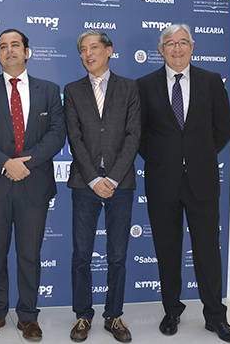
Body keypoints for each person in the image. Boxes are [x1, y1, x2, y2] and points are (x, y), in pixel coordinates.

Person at [136, 23, 230, 342]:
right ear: (160, 50)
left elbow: (224, 127)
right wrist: (161, 157)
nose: (177, 49)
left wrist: (199, 153)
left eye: (183, 43)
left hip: (202, 179)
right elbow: (138, 134)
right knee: (167, 248)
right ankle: (171, 310)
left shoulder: (210, 81)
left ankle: (215, 316)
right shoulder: (145, 85)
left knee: (207, 248)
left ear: (192, 47)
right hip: (162, 180)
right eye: (170, 44)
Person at [0, 29, 66, 342]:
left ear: (28, 52)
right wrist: (5, 163)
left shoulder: (49, 90)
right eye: (3, 46)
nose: (9, 50)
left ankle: (28, 317)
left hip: (34, 183)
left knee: (29, 254)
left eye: (15, 45)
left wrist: (26, 162)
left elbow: (56, 134)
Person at [63, 30, 140, 343]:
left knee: (117, 254)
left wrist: (114, 177)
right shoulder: (72, 90)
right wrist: (95, 178)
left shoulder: (129, 88)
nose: (88, 54)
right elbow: (75, 137)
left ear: (109, 50)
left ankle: (114, 315)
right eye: (83, 49)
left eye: (94, 47)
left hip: (121, 183)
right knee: (81, 253)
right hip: (85, 183)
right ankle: (83, 315)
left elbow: (134, 135)